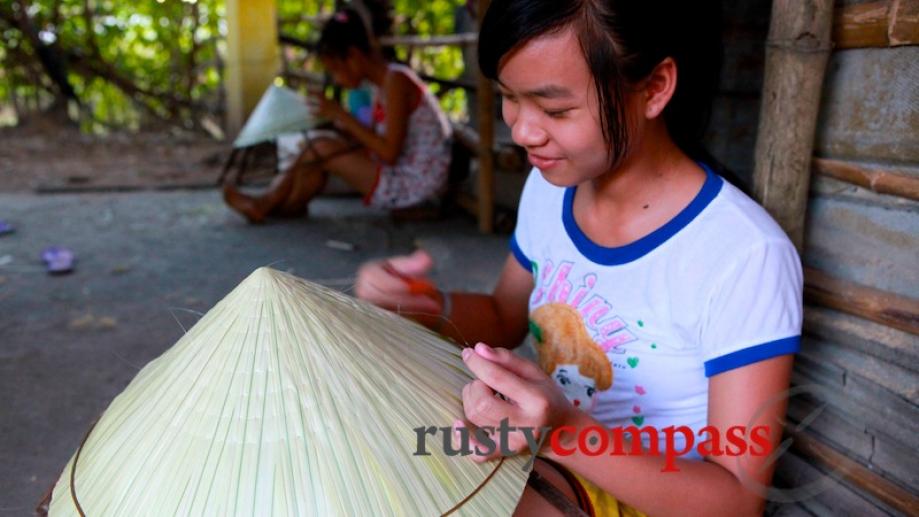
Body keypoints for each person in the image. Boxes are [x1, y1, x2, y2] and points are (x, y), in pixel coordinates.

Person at [354, 1, 803, 515]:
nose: (523, 131)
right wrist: (423, 304)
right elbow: (504, 316)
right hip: (558, 459)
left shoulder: (743, 254)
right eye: (509, 97)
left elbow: (737, 501)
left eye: (555, 109)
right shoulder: (549, 189)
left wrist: (565, 433)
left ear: (654, 88)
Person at [223, 6, 452, 223]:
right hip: (408, 176)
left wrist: (341, 115)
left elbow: (389, 152)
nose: (336, 79)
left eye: (335, 69)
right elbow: (379, 142)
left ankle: (266, 203)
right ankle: (287, 206)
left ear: (353, 56)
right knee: (320, 144)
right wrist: (340, 126)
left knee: (322, 146)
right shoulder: (382, 85)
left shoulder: (396, 81)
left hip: (418, 186)